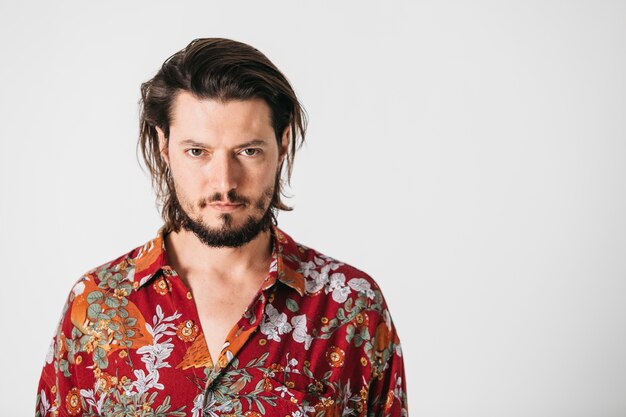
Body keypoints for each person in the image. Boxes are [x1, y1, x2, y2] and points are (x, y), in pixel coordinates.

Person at [36, 38, 408, 417]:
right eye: (197, 152)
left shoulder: (351, 307)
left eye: (249, 151)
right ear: (164, 145)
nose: (224, 182)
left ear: (282, 143)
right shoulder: (97, 306)